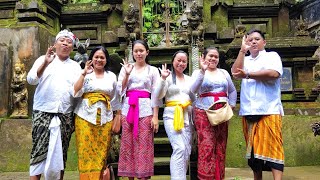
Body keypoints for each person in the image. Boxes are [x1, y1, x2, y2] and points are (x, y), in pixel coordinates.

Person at [27, 29, 81, 180]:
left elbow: (77, 94)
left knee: (60, 153)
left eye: (69, 42)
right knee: (38, 150)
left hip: (65, 114)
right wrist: (45, 63)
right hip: (43, 111)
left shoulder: (76, 66)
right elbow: (31, 80)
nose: (65, 44)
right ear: (55, 44)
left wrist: (74, 118)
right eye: (62, 40)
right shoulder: (42, 59)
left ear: (72, 47)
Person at [231, 29, 284, 180]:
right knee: (253, 153)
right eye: (250, 40)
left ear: (264, 42)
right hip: (248, 111)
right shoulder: (246, 60)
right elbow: (235, 72)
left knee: (274, 148)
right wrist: (242, 51)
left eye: (257, 39)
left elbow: (274, 73)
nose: (253, 42)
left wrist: (248, 75)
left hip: (269, 109)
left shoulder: (271, 56)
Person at [73, 46, 121, 179]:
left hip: (105, 118)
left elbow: (116, 99)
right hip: (85, 117)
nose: (99, 60)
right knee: (85, 151)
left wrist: (118, 115)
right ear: (91, 59)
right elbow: (75, 91)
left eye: (102, 57)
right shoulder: (86, 74)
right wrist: (83, 74)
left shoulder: (111, 76)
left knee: (102, 152)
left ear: (106, 60)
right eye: (96, 57)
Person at [117, 39, 162, 180]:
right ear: (133, 53)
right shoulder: (126, 68)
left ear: (147, 52)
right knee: (128, 145)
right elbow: (120, 90)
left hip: (145, 110)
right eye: (136, 51)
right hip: (128, 110)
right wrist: (128, 74)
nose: (138, 53)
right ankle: (130, 176)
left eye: (141, 50)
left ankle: (143, 176)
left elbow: (156, 94)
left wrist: (155, 116)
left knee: (144, 145)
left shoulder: (153, 70)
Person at [190, 47, 237, 180]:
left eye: (216, 57)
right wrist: (202, 71)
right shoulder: (198, 73)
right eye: (210, 56)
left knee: (220, 147)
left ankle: (219, 176)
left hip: (222, 113)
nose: (213, 59)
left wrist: (232, 105)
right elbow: (192, 90)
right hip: (203, 113)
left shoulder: (223, 73)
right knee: (207, 146)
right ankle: (206, 177)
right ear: (203, 57)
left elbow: (232, 91)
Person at [154, 51, 195, 180]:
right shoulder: (167, 77)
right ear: (173, 61)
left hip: (187, 117)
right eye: (179, 60)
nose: (181, 63)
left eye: (184, 61)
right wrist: (162, 79)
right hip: (171, 116)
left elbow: (193, 98)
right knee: (179, 148)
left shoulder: (189, 79)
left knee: (187, 150)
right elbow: (159, 95)